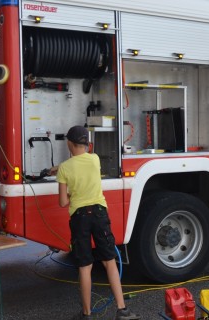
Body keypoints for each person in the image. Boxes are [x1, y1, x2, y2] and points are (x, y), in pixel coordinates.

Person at [50, 126, 140, 320]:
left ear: (69, 144)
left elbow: (63, 202)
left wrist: (63, 175)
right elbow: (82, 165)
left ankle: (87, 314)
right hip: (99, 214)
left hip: (80, 218)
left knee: (85, 266)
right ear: (87, 145)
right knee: (109, 262)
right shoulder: (95, 159)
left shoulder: (65, 168)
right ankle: (122, 310)